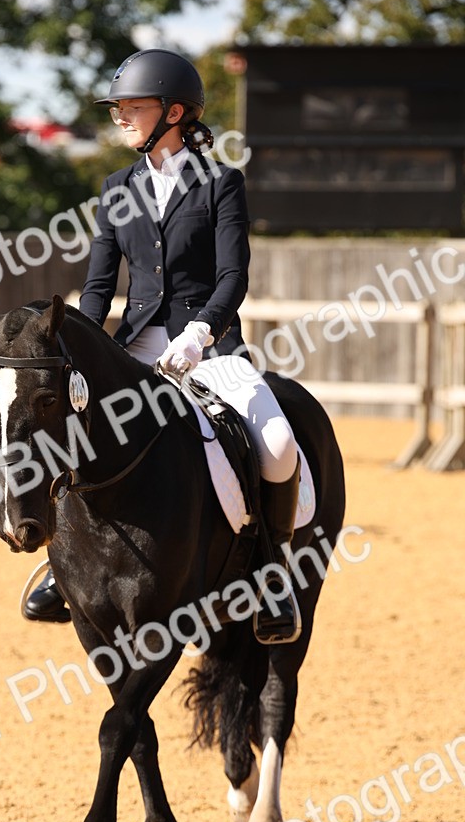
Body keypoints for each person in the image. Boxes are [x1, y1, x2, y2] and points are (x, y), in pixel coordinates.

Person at [23, 48, 301, 643]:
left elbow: (232, 276)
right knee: (72, 433)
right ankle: (58, 563)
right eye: (117, 107)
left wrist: (202, 332)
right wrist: (80, 347)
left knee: (278, 446)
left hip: (210, 346)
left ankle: (273, 572)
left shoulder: (220, 184)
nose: (121, 116)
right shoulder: (115, 189)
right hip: (133, 349)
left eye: (133, 106)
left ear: (174, 113)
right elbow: (99, 286)